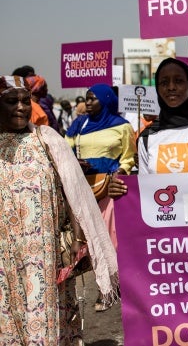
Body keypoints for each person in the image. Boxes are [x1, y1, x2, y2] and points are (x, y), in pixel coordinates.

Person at [0, 75, 119, 344]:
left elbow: (72, 192)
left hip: (43, 254)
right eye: (11, 101)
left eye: (25, 100)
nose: (20, 106)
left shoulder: (46, 139)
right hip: (4, 256)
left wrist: (78, 238)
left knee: (43, 321)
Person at [64, 83, 135, 311]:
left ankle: (112, 289)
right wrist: (75, 162)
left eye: (93, 98)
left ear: (106, 100)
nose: (89, 103)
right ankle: (104, 287)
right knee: (89, 241)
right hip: (83, 188)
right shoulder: (78, 124)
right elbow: (66, 150)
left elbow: (128, 157)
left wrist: (119, 173)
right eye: (87, 98)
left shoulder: (122, 127)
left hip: (110, 190)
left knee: (110, 241)